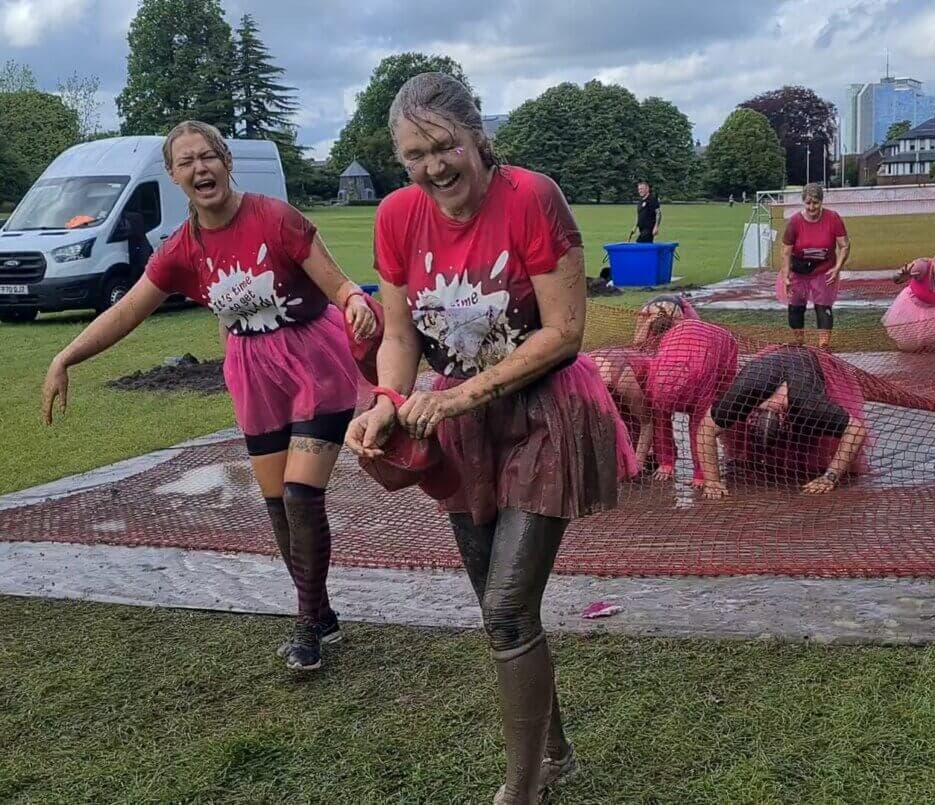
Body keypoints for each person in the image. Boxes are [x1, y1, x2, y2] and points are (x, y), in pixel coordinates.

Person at [344, 73, 636, 805]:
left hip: (544, 415)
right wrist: (386, 400)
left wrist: (457, 397)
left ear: (476, 135)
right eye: (414, 154)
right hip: (462, 428)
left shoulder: (533, 197)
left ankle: (522, 786)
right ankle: (556, 752)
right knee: (501, 607)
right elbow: (401, 334)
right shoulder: (395, 216)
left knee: (506, 606)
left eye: (443, 146)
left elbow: (567, 332)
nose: (433, 166)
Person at [40, 120, 376, 672]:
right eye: (187, 162)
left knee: (300, 494)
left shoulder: (274, 217)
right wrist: (65, 356)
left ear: (226, 161)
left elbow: (336, 282)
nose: (201, 168)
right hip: (253, 374)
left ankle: (306, 624)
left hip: (315, 362)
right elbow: (127, 311)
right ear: (173, 176)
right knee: (276, 505)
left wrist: (354, 300)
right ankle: (323, 612)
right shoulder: (181, 250)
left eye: (209, 156)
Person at [592, 295, 735, 483]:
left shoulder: (698, 374)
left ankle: (734, 453)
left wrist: (702, 476)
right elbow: (656, 419)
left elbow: (695, 426)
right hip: (668, 357)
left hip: (714, 346)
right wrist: (666, 462)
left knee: (720, 410)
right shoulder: (654, 377)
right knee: (656, 415)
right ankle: (660, 457)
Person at [695, 345, 868, 499]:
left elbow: (856, 430)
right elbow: (705, 430)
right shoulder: (742, 395)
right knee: (723, 418)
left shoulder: (809, 405)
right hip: (768, 366)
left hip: (809, 364)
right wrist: (712, 482)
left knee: (813, 431)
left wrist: (829, 477)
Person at [777, 183, 850, 351]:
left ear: (821, 202)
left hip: (823, 269)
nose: (812, 207)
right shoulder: (794, 222)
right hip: (798, 269)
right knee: (795, 306)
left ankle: (824, 345)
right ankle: (799, 342)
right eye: (808, 203)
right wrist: (786, 277)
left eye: (815, 203)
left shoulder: (833, 218)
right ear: (803, 202)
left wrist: (838, 267)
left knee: (823, 306)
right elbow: (785, 251)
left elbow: (844, 245)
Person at [882, 247, 935, 355]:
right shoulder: (921, 266)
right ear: (933, 262)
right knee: (909, 347)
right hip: (912, 304)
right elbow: (896, 279)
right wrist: (900, 277)